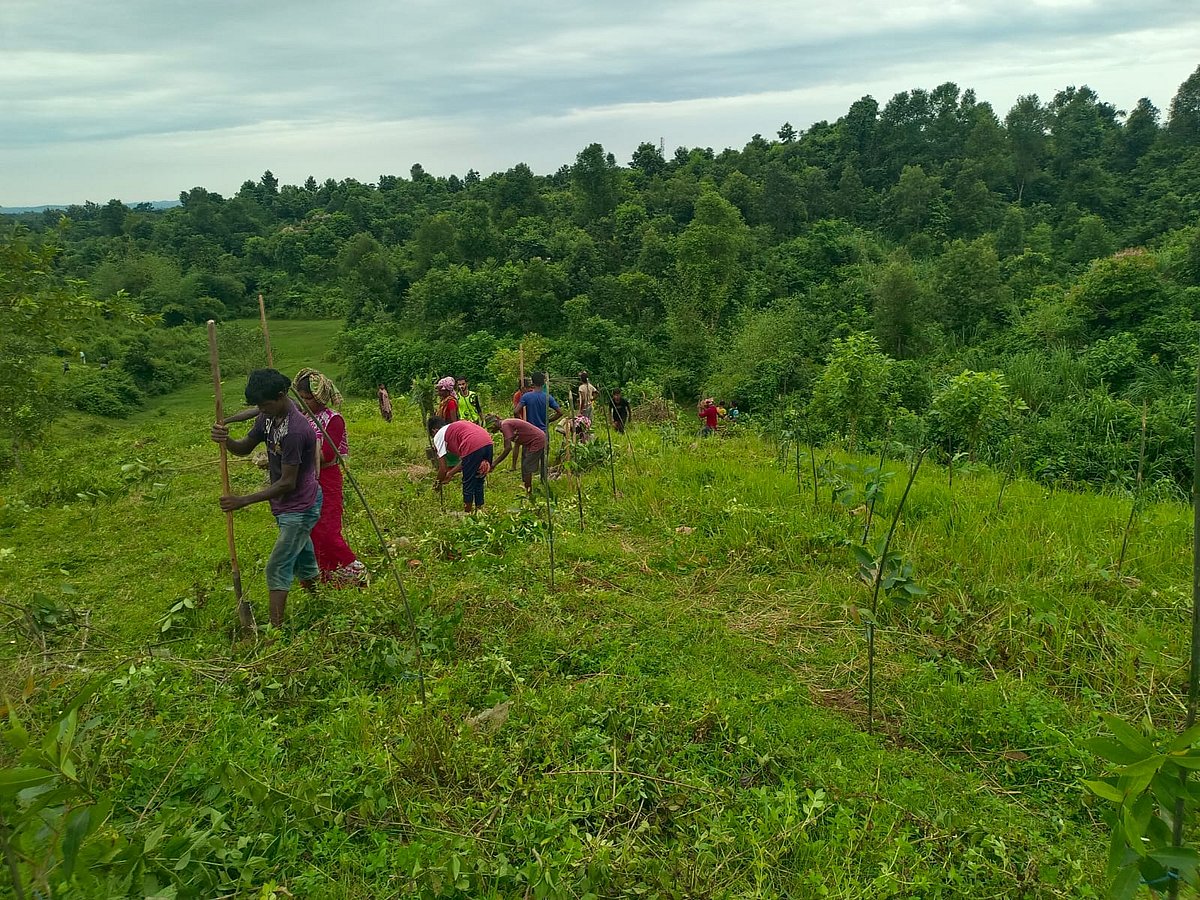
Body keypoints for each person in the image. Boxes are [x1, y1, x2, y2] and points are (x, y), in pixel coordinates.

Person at [210, 368, 321, 628]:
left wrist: (243, 500)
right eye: (258, 405)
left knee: (277, 566)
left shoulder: (295, 430)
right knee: (304, 559)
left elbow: (287, 482)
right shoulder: (269, 417)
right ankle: (320, 601)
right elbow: (245, 447)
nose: (261, 409)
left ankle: (275, 631)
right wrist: (226, 441)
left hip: (301, 505)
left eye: (264, 404)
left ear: (281, 396)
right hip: (287, 505)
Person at [295, 368, 367, 588]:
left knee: (327, 530)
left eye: (308, 398)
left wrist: (295, 451)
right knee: (312, 531)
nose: (305, 403)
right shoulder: (303, 418)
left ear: (320, 397)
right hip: (304, 482)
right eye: (302, 398)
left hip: (326, 479)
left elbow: (327, 454)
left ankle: (356, 571)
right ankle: (326, 577)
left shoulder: (333, 420)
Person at [428, 415, 494, 513]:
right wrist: (450, 474)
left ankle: (467, 513)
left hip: (473, 443)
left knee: (468, 481)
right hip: (488, 442)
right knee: (479, 477)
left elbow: (443, 468)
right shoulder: (455, 429)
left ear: (434, 430)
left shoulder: (438, 436)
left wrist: (437, 484)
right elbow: (466, 461)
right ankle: (479, 510)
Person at [486, 413, 547, 494]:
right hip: (529, 442)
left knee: (527, 466)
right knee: (524, 464)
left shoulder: (505, 425)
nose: (490, 430)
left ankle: (529, 492)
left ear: (494, 423)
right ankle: (527, 487)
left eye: (490, 427)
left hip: (537, 440)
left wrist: (494, 463)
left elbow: (508, 448)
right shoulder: (505, 425)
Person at [516, 372, 562, 437]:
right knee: (545, 447)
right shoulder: (548, 397)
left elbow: (516, 412)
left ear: (532, 382)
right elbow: (560, 412)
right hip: (543, 432)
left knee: (528, 447)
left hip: (530, 431)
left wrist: (523, 424)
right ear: (543, 383)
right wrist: (548, 420)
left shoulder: (526, 396)